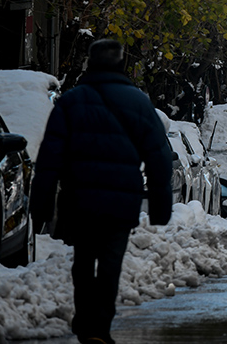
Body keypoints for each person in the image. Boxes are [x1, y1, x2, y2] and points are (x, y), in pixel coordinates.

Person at [31, 38, 174, 344]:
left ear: (90, 63)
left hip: (78, 198)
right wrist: (162, 206)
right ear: (121, 64)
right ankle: (101, 325)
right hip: (121, 202)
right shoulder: (138, 102)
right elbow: (159, 156)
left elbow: (49, 158)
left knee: (83, 260)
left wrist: (40, 205)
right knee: (111, 263)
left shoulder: (71, 101)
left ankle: (85, 319)